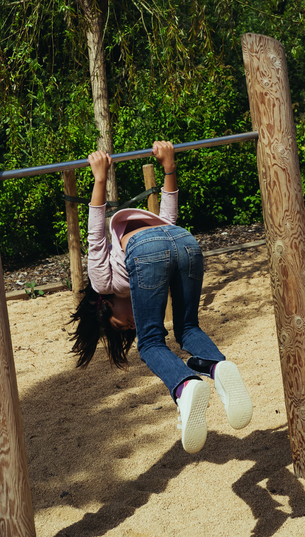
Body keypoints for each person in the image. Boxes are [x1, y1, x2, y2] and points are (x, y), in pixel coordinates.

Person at [69, 141, 252, 453]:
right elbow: (168, 220)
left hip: (149, 246)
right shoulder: (139, 284)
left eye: (121, 325)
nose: (130, 325)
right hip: (185, 242)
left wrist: (100, 179)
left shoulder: (103, 283)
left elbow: (95, 234)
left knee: (151, 343)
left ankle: (185, 385)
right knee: (188, 328)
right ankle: (216, 367)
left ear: (106, 306)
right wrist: (169, 168)